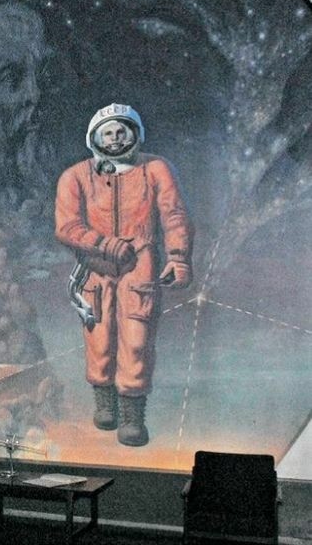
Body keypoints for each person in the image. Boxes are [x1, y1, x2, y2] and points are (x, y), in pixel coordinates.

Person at [55, 103, 194, 447]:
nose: (115, 139)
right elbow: (67, 226)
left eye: (122, 132)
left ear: (135, 134)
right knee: (99, 337)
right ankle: (105, 403)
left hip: (139, 262)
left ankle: (132, 415)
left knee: (136, 338)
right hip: (95, 267)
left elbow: (174, 215)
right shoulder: (75, 177)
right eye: (108, 133)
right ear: (95, 138)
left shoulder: (155, 169)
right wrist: (104, 244)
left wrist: (178, 258)